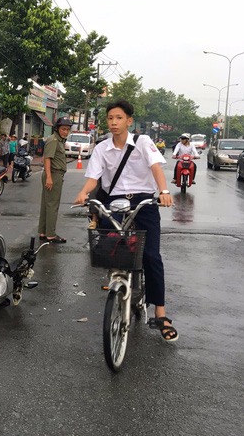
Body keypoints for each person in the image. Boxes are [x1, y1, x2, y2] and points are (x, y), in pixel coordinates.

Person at [73, 99, 176, 342]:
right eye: (110, 118)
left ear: (129, 120)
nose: (114, 122)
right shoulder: (101, 149)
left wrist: (163, 192)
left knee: (151, 256)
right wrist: (83, 193)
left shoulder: (143, 142)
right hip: (116, 202)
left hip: (144, 202)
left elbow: (156, 168)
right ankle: (120, 280)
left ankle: (160, 313)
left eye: (119, 118)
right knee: (109, 246)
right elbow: (94, 178)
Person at [38, 116, 73, 243]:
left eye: (68, 129)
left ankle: (43, 232)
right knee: (52, 205)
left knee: (46, 205)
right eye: (63, 129)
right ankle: (51, 235)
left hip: (53, 174)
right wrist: (49, 177)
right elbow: (47, 159)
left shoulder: (58, 140)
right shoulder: (53, 140)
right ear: (57, 128)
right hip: (53, 174)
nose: (65, 132)